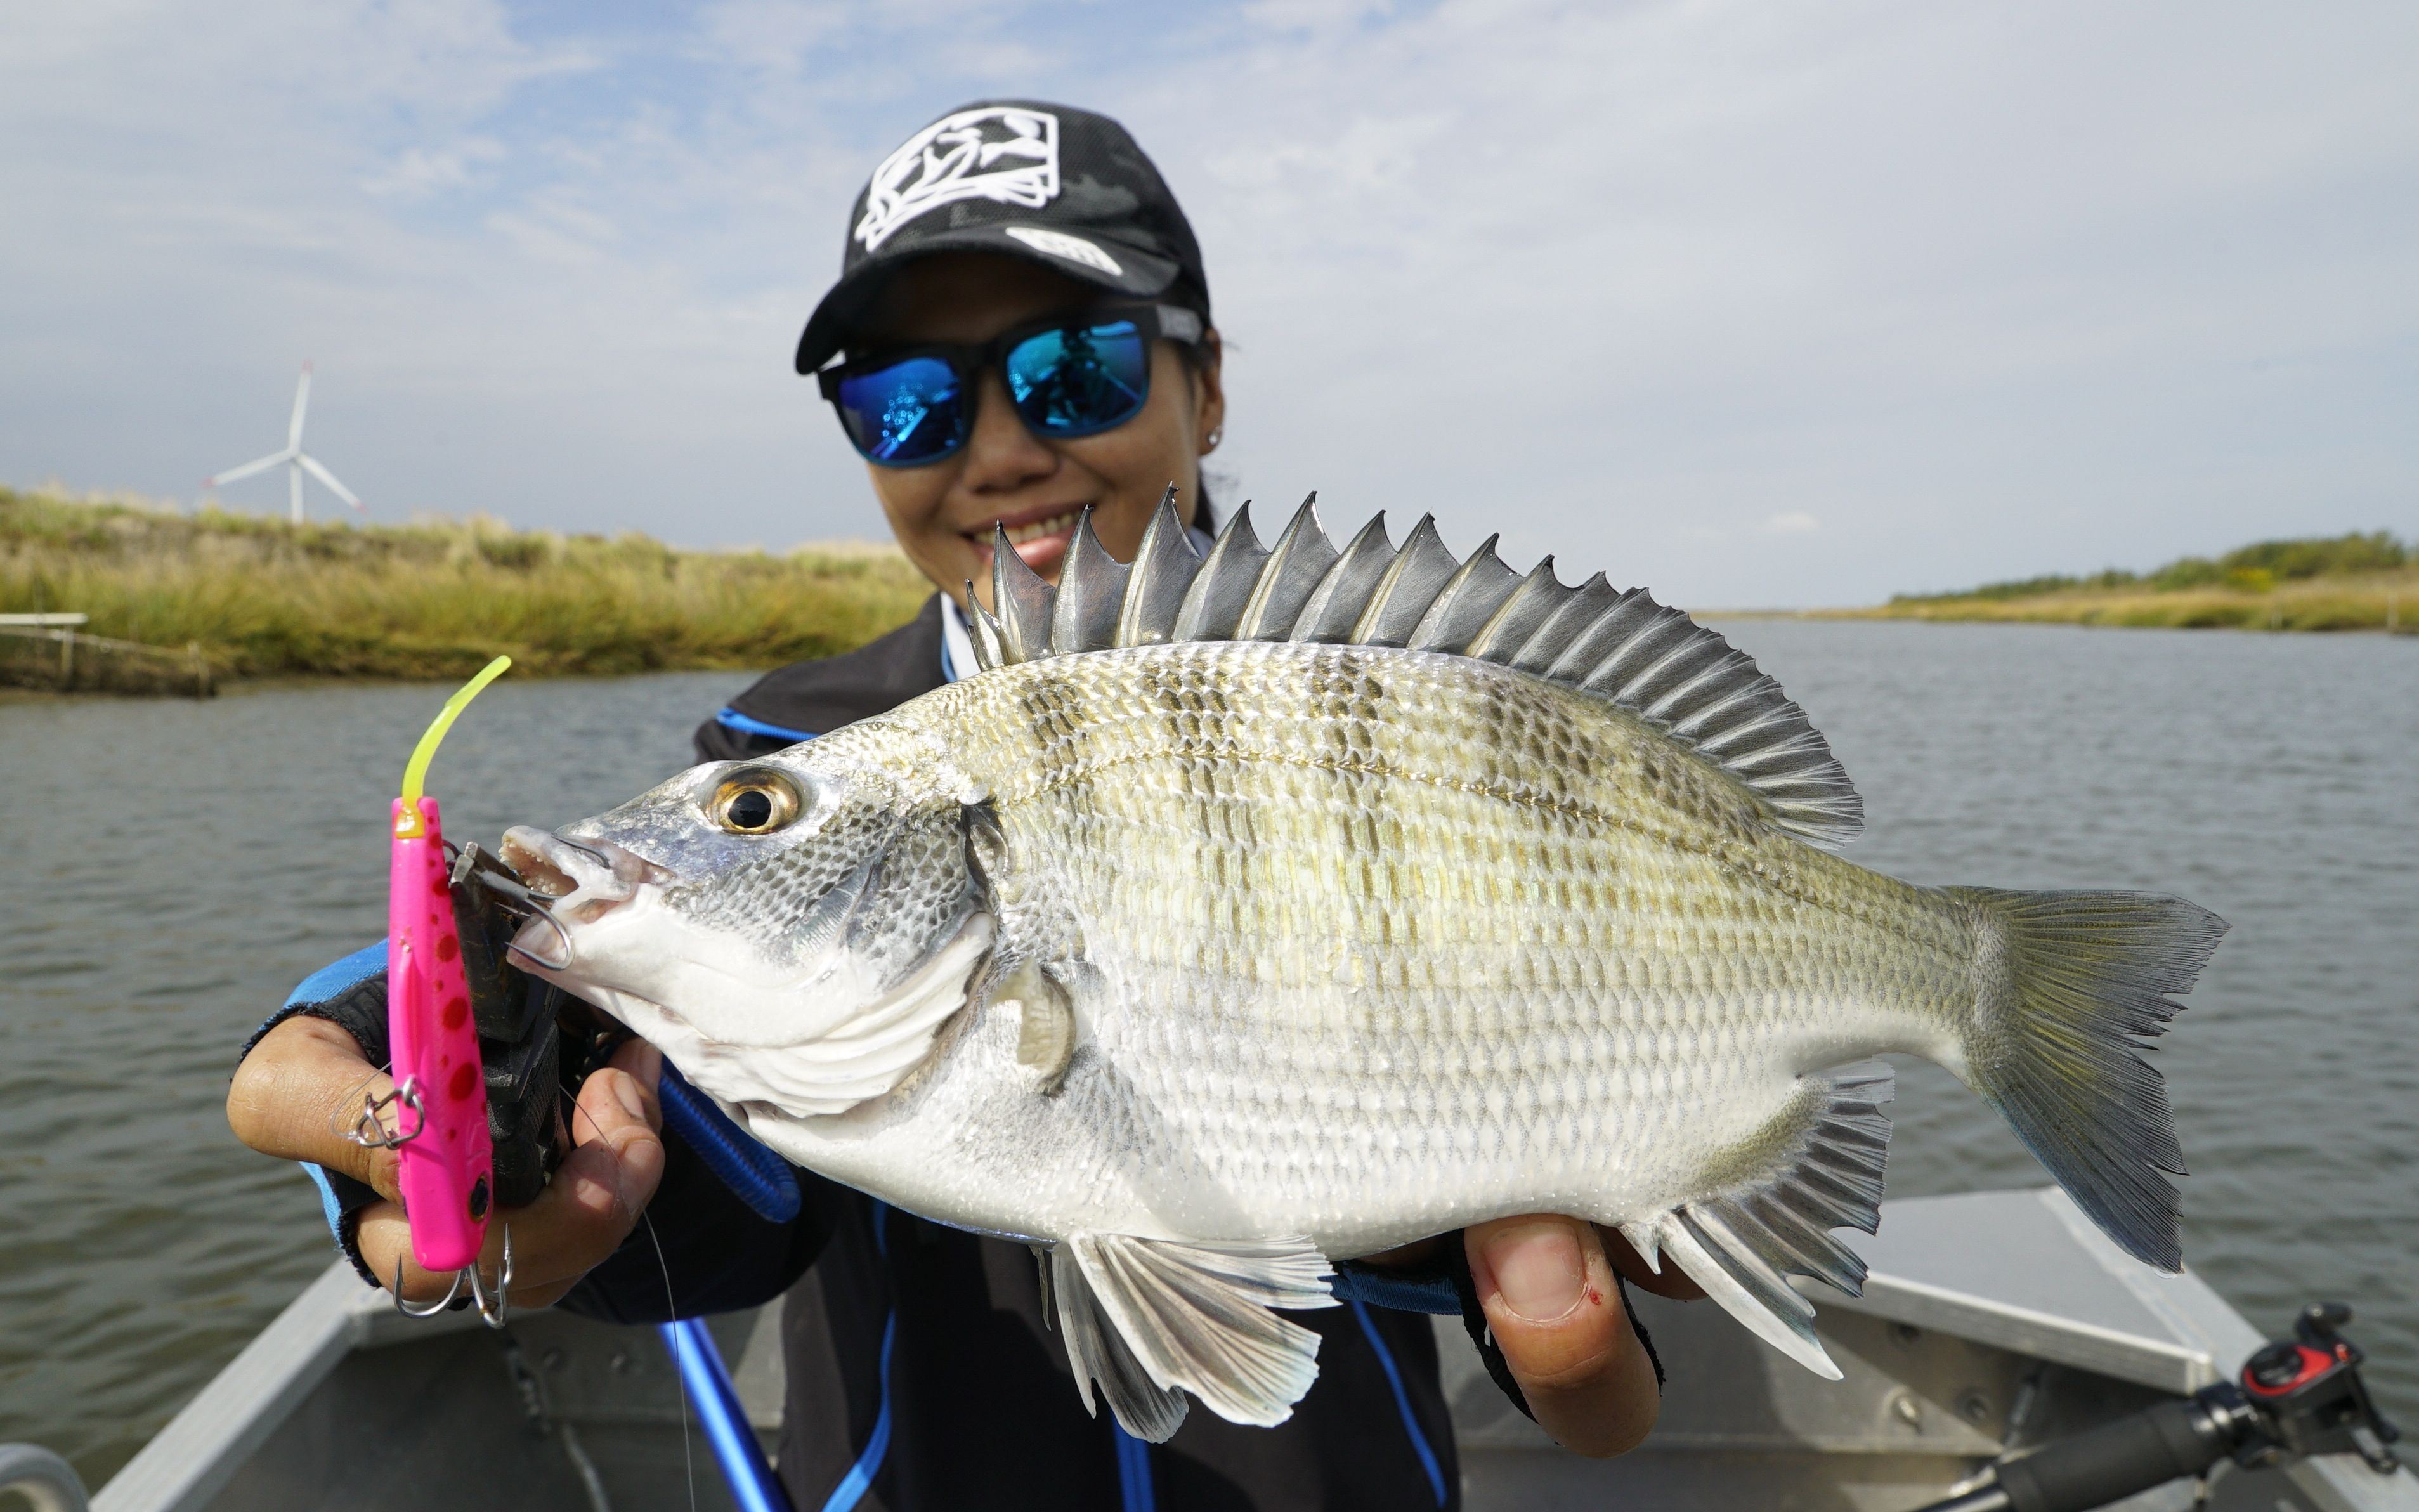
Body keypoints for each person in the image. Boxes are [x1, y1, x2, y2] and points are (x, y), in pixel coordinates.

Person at [226, 99, 1695, 1511]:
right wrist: (478, 1086)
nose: (994, 448)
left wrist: (1505, 1285)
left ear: (1208, 382)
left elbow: (1454, 1143)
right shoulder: (787, 739)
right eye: (906, 398)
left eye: (1076, 370)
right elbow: (729, 1174)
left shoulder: (1388, 687)